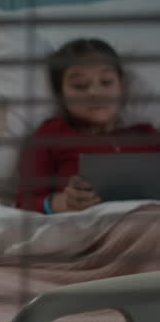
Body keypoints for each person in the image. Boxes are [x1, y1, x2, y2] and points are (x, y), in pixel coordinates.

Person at [15, 38, 160, 214]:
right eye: (79, 86)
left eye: (106, 82)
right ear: (61, 94)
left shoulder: (148, 135)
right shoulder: (51, 134)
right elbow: (24, 202)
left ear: (121, 87)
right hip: (86, 229)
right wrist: (61, 203)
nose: (95, 92)